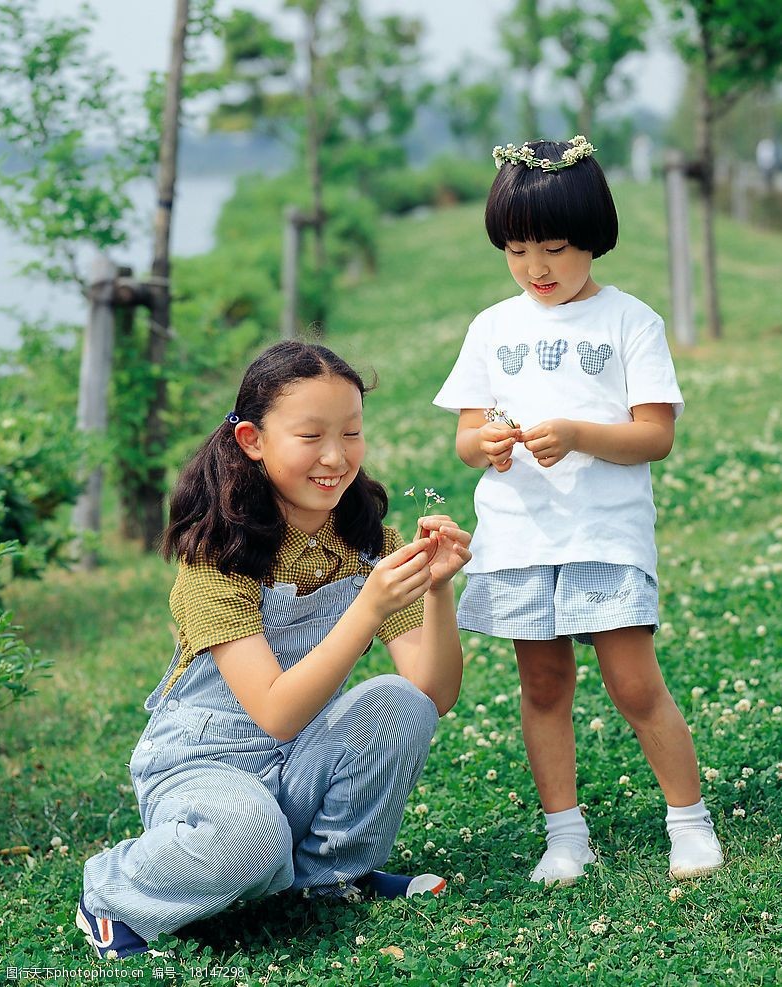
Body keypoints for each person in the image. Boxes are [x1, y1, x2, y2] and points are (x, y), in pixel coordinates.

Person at [76, 340, 472, 958]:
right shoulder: (216, 556)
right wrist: (368, 608)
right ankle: (111, 891)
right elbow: (276, 712)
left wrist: (438, 589)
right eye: (310, 436)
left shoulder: (367, 541)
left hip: (299, 758)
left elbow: (434, 693)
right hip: (203, 768)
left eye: (352, 433)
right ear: (252, 441)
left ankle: (334, 876)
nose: (336, 457)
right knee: (250, 839)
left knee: (399, 702)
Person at [432, 136, 723, 887]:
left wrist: (579, 435)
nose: (537, 267)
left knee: (633, 682)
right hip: (521, 535)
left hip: (604, 532)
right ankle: (565, 835)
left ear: (594, 238)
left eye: (556, 247)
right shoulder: (493, 327)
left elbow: (655, 434)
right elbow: (466, 437)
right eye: (519, 249)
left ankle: (688, 820)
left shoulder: (631, 322)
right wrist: (488, 444)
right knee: (543, 685)